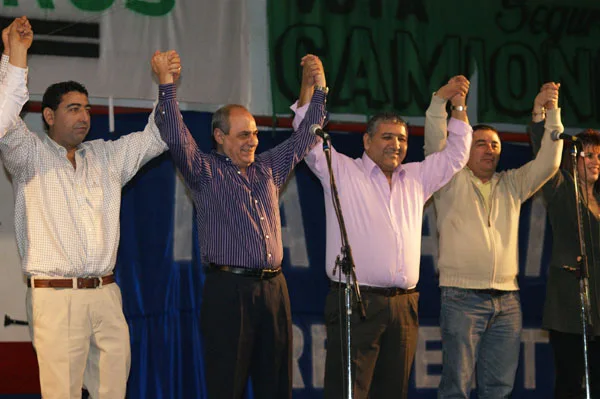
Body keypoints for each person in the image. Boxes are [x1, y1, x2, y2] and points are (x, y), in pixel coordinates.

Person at [0, 17, 180, 399]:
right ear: (48, 116)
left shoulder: (105, 157)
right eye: (73, 109)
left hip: (105, 294)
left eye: (87, 109)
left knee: (113, 391)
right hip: (55, 295)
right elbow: (3, 118)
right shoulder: (28, 152)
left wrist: (166, 85)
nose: (84, 117)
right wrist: (15, 55)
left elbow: (160, 136)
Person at [154, 54, 326, 398]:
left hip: (275, 289)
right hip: (229, 291)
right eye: (244, 134)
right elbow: (175, 135)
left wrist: (317, 88)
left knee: (276, 383)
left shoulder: (268, 168)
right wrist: (165, 84)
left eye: (256, 134)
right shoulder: (205, 172)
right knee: (227, 383)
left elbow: (307, 135)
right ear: (220, 136)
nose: (253, 140)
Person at [292, 76, 472, 398]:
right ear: (366, 141)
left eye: (402, 139)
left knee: (393, 392)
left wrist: (456, 104)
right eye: (387, 137)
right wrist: (311, 90)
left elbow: (457, 154)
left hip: (404, 306)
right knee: (349, 392)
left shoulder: (416, 178)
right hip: (356, 303)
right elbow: (307, 140)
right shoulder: (343, 170)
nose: (397, 145)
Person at [424, 80, 564, 398]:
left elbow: (550, 162)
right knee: (455, 388)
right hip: (461, 297)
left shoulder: (512, 184)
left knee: (499, 388)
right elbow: (435, 143)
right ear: (464, 148)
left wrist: (551, 111)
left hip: (507, 300)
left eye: (496, 145)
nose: (491, 149)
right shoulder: (449, 180)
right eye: (482, 143)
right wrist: (440, 103)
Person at [529, 83, 600, 398]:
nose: (595, 161)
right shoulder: (560, 188)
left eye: (599, 156)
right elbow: (542, 154)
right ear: (574, 159)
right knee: (571, 383)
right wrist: (540, 114)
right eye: (588, 155)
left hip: (599, 301)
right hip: (570, 302)